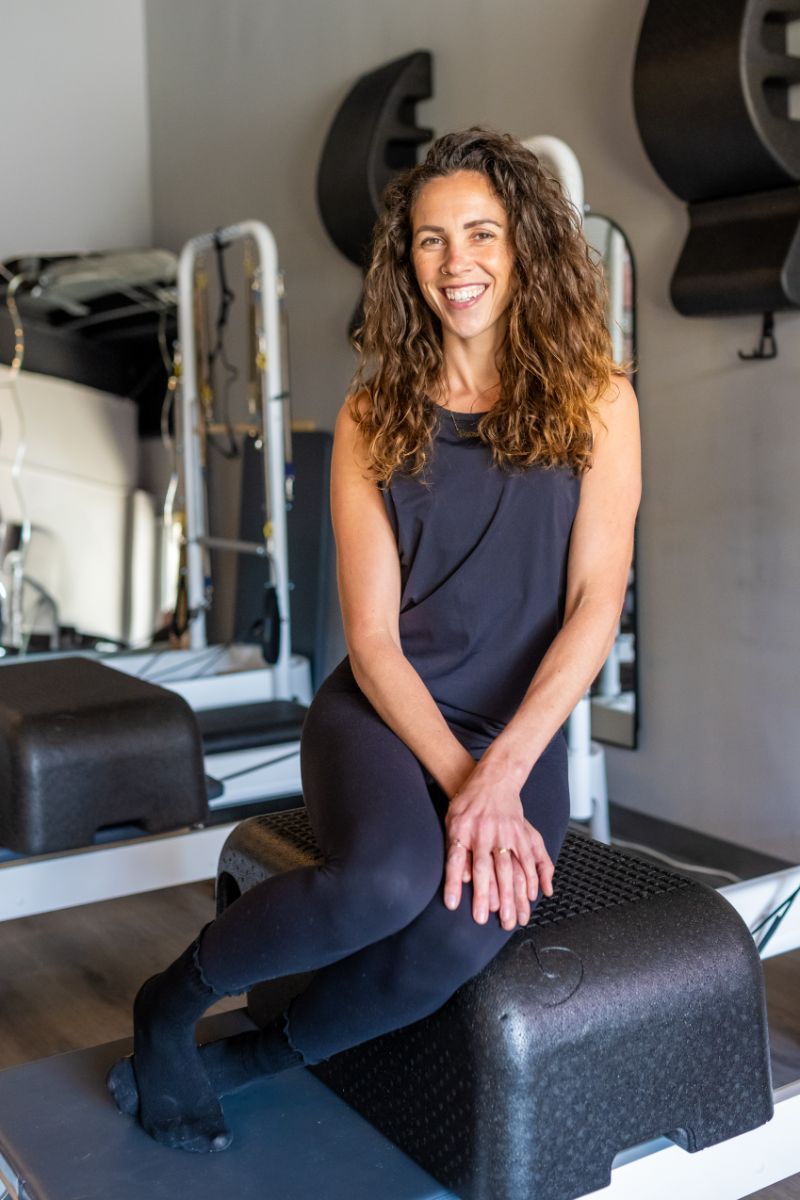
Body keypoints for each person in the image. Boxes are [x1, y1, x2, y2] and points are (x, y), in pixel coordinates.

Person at [106, 126, 641, 1153]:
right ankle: (167, 1006)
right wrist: (459, 778)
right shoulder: (371, 414)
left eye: (480, 233)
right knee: (391, 880)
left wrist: (502, 773)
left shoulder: (597, 402)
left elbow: (593, 605)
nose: (457, 264)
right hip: (384, 716)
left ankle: (267, 1053)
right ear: (406, 263)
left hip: (516, 729)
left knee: (464, 924)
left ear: (522, 243)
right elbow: (372, 637)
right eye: (431, 242)